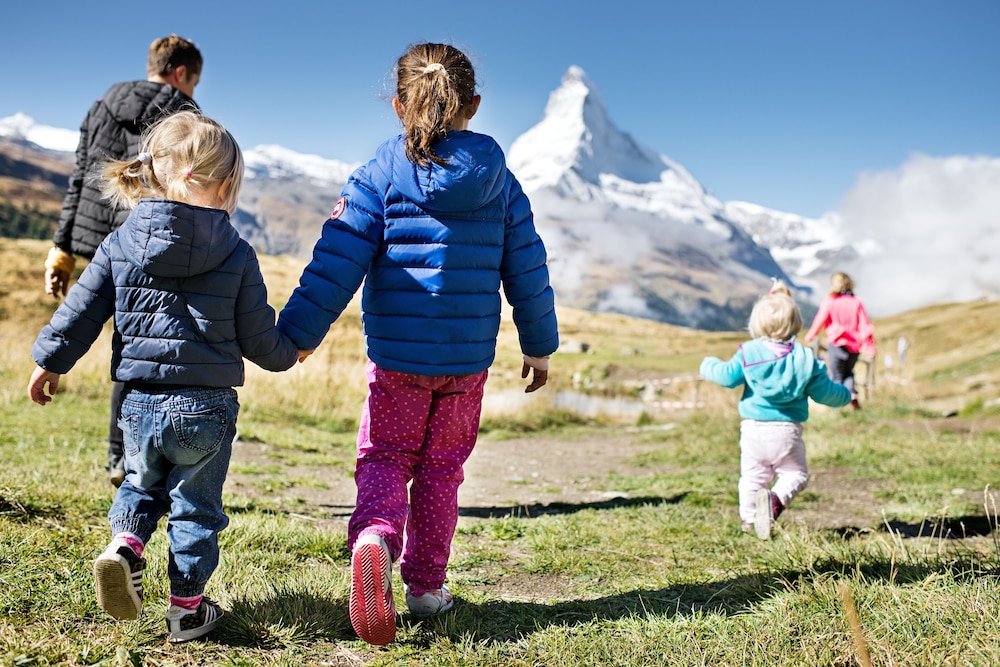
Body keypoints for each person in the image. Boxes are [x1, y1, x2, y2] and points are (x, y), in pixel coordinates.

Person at [276, 43, 559, 645]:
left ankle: (375, 536)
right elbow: (528, 270)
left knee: (385, 456)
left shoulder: (378, 175)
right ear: (473, 105)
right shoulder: (501, 185)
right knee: (441, 471)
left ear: (399, 105)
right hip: (466, 365)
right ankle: (426, 588)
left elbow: (336, 260)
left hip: (396, 362)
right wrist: (539, 346)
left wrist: (298, 335)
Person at [28, 111, 303, 643]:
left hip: (138, 402)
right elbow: (258, 338)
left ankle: (125, 546)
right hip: (206, 409)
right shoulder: (237, 252)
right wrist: (289, 354)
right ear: (226, 185)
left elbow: (82, 309)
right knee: (195, 509)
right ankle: (186, 610)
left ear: (153, 172)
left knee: (140, 484)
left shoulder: (120, 241)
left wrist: (50, 361)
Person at [43, 34, 203, 487]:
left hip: (99, 244)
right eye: (194, 82)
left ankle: (122, 456)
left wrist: (61, 249)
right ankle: (127, 457)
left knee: (104, 330)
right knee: (142, 346)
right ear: (180, 74)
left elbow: (79, 180)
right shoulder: (184, 113)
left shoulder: (100, 107)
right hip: (149, 241)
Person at [699, 281, 851, 539]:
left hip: (753, 429)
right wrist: (846, 394)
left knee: (752, 477)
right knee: (795, 474)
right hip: (787, 430)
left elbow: (726, 376)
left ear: (757, 323)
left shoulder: (749, 353)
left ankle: (750, 521)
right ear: (796, 324)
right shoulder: (805, 360)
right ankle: (774, 501)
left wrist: (707, 365)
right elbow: (827, 394)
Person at [803, 271, 876, 410]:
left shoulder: (830, 300)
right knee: (849, 373)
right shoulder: (856, 301)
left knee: (836, 375)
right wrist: (868, 345)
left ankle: (836, 407)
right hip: (854, 346)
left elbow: (820, 319)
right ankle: (851, 395)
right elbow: (864, 324)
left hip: (837, 343)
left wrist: (810, 335)